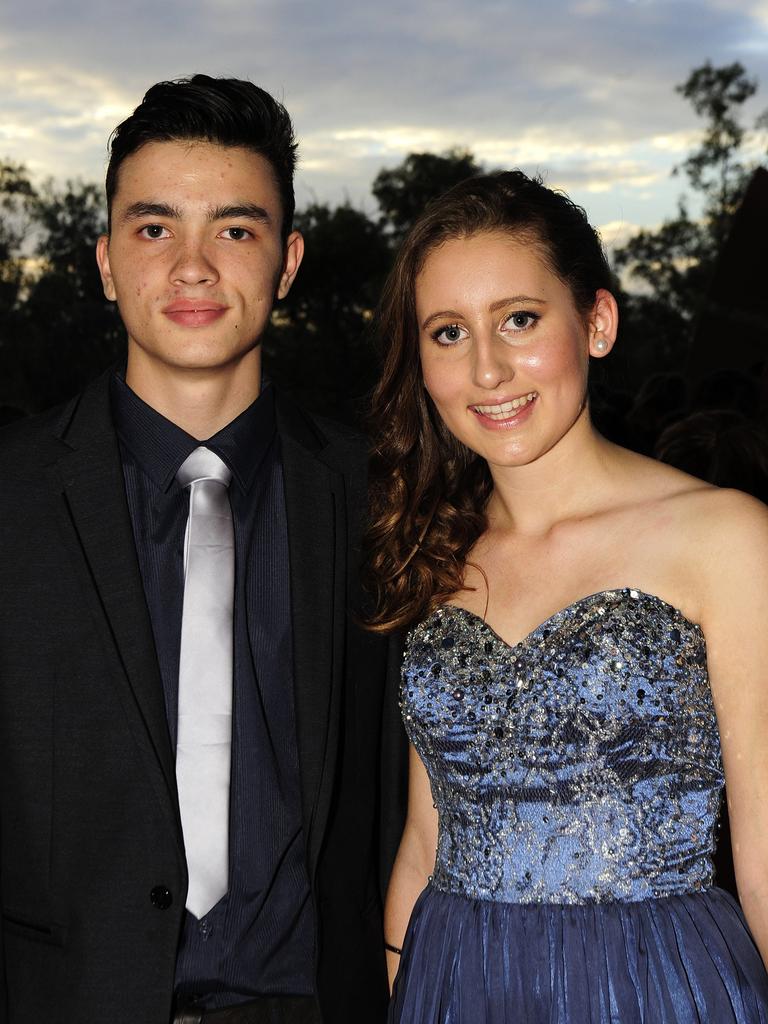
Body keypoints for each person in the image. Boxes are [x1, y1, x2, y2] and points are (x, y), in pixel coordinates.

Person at [0, 75, 405, 1023]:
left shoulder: (381, 500)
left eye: (234, 229)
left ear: (289, 261)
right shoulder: (9, 498)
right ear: (103, 262)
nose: (192, 266)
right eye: (153, 229)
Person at [364, 170, 768, 1022]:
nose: (487, 368)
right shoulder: (435, 552)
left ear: (597, 321)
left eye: (519, 319)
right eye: (447, 332)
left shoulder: (726, 536)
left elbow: (765, 847)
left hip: (655, 987)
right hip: (453, 984)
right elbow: (424, 840)